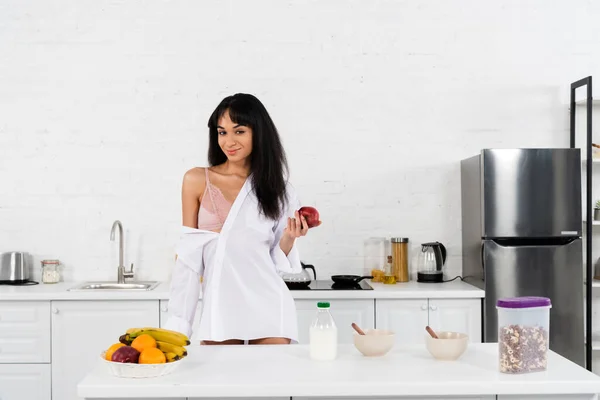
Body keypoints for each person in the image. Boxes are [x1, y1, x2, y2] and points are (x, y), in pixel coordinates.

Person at [165, 93, 320, 345]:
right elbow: (189, 259)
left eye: (239, 131)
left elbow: (275, 261)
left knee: (270, 383)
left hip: (269, 305)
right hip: (219, 306)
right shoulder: (195, 180)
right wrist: (179, 324)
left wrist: (289, 237)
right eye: (222, 132)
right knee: (218, 381)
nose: (228, 141)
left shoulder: (280, 190)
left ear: (258, 133)